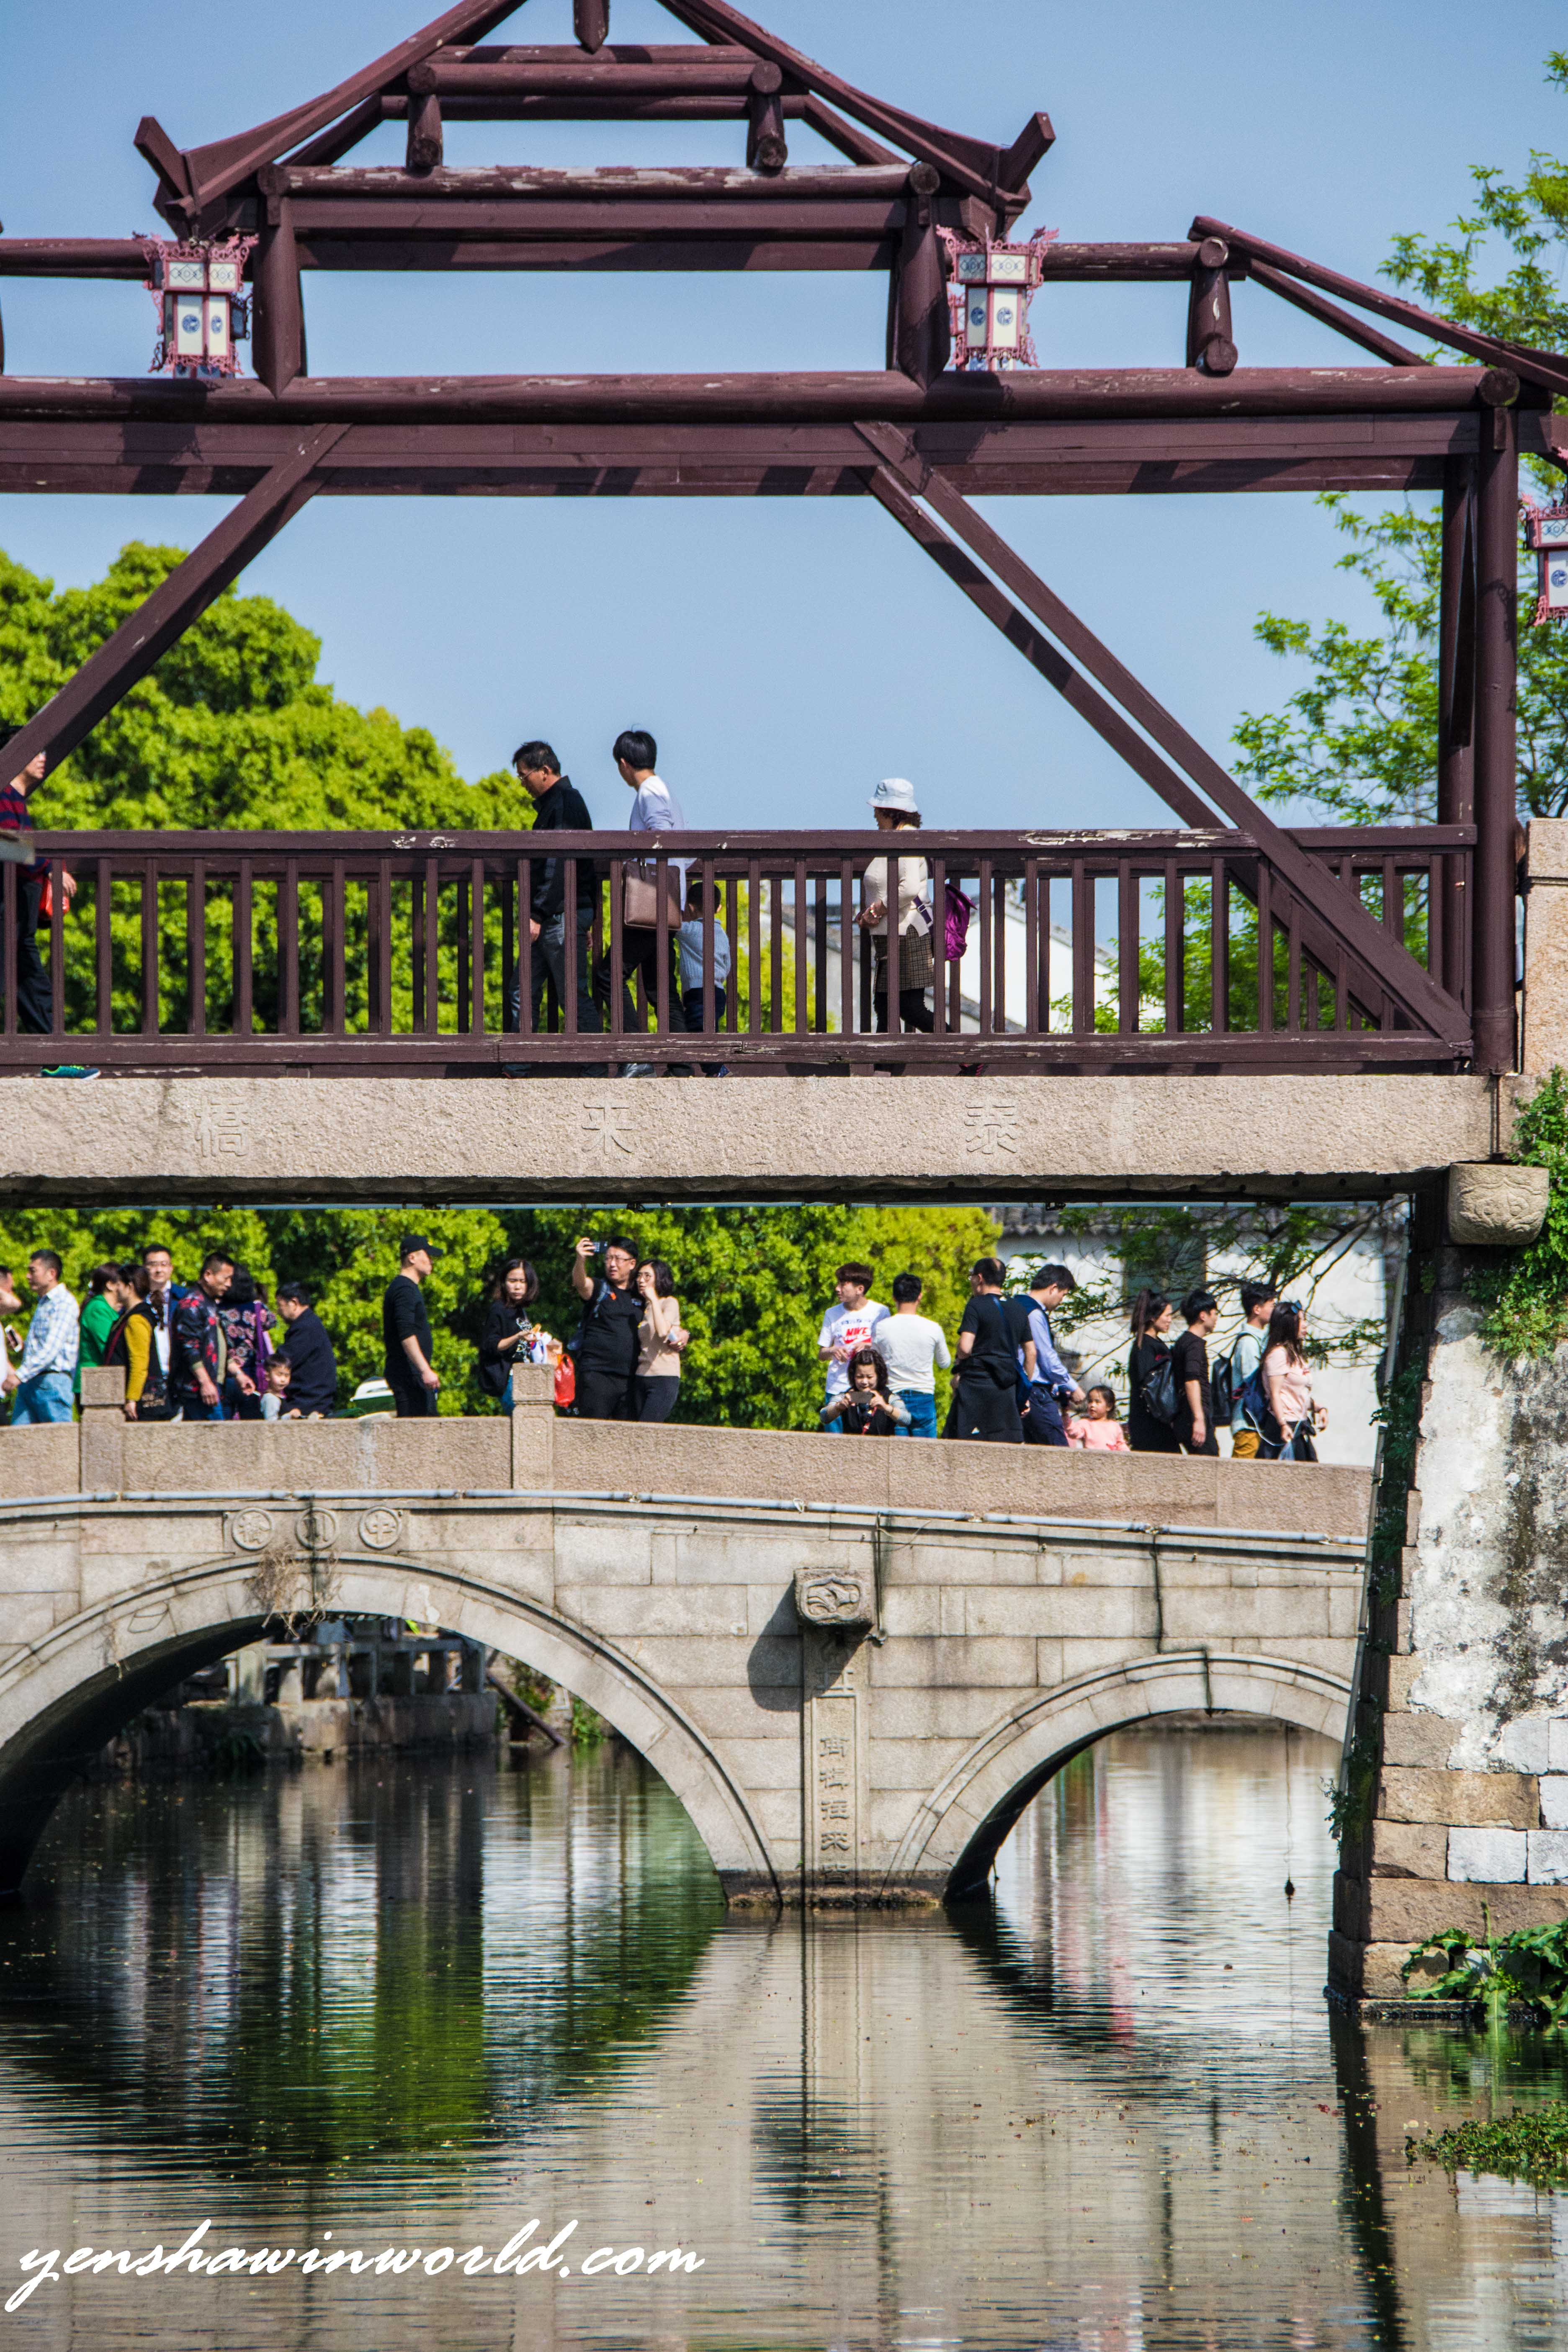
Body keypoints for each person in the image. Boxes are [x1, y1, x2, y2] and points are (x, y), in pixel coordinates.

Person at [503, 741, 605, 1069]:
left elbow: (558, 865)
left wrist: (537, 914)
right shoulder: (561, 802)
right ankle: (519, 1066)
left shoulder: (565, 802)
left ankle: (595, 1066)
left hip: (558, 915)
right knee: (524, 990)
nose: (522, 783)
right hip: (560, 914)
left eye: (524, 776)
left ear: (545, 771)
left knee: (571, 995)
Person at [0, 724, 92, 1075]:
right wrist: (49, 867)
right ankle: (55, 1059)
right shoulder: (4, 796)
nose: (43, 758)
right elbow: (4, 843)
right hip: (9, 911)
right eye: (34, 751)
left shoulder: (15, 798)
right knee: (28, 978)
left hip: (17, 916)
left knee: (29, 979)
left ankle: (55, 1059)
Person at [613, 728, 690, 1075]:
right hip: (670, 903)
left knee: (609, 975)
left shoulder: (649, 791)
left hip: (652, 905)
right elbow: (684, 851)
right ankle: (682, 1066)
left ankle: (636, 1056)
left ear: (624, 764)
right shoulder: (666, 790)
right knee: (660, 987)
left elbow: (662, 834)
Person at [856, 778, 934, 1035]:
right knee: (885, 1005)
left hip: (906, 933)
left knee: (910, 1008)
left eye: (878, 811)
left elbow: (909, 887)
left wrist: (876, 911)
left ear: (890, 812)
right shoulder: (895, 839)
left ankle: (963, 1049)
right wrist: (870, 912)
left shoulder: (906, 839)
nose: (875, 816)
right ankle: (885, 1059)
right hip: (895, 934)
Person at [950, 1257, 1026, 1443]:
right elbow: (1031, 1352)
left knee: (965, 1442)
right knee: (1004, 1442)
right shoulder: (1018, 1308)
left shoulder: (976, 1305)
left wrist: (959, 1351)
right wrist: (1024, 1385)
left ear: (979, 1278)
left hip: (976, 1384)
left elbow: (966, 1347)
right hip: (1007, 1386)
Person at [570, 1233, 644, 1420]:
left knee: (625, 1434)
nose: (612, 1264)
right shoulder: (600, 1288)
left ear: (632, 1263)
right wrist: (580, 1259)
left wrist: (683, 1333)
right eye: (609, 1258)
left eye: (618, 1259)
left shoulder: (642, 1296)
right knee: (592, 1431)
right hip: (597, 1374)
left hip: (631, 1379)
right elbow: (581, 1283)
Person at [4, 1249, 80, 1423]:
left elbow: (50, 1351)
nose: (28, 1276)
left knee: (58, 1438)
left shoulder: (63, 1302)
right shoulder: (44, 1303)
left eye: (33, 1271)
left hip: (52, 1383)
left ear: (52, 1274)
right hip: (31, 1382)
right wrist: (23, 1347)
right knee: (19, 1439)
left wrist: (18, 1376)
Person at [1018, 1262, 1086, 1449]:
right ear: (1053, 1288)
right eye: (1063, 1295)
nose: (1061, 1301)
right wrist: (1072, 1386)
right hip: (1036, 1392)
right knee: (1058, 1451)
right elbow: (1046, 1358)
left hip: (1021, 1391)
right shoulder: (1034, 1313)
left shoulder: (1017, 1305)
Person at [876, 1271, 950, 1438]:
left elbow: (875, 1361)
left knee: (896, 1451)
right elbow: (945, 1363)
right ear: (920, 1296)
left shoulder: (882, 1328)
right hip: (923, 1395)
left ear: (894, 1297)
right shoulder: (933, 1328)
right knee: (926, 1451)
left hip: (893, 1397)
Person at [818, 1262, 891, 1432]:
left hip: (867, 1388)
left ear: (860, 1289)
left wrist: (868, 1346)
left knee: (865, 1436)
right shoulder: (832, 1313)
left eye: (843, 1285)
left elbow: (888, 1350)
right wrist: (833, 1350)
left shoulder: (880, 1312)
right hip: (837, 1388)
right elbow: (822, 1354)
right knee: (833, 1440)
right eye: (838, 1284)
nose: (837, 1289)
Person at [382, 1235, 442, 1418]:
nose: (431, 1261)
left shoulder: (407, 1288)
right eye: (428, 1255)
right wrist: (425, 1371)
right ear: (412, 1258)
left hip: (413, 1374)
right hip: (409, 1376)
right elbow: (406, 1333)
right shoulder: (404, 1290)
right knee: (416, 1430)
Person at [170, 1251, 234, 1421]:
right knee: (217, 1435)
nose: (229, 1284)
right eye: (226, 1278)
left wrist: (239, 1375)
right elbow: (189, 1347)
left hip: (210, 1385)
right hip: (198, 1389)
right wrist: (205, 1383)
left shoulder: (208, 1302)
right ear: (208, 1275)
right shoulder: (192, 1303)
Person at [1260, 1299, 1326, 1463]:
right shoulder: (1278, 1354)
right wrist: (1283, 1424)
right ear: (1287, 1325)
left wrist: (1320, 1408)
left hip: (1299, 1425)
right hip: (1283, 1428)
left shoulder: (1296, 1355)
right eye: (1300, 1321)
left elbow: (1297, 1394)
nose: (1305, 1325)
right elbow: (1275, 1394)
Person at [678, 875, 731, 1074]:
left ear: (691, 907)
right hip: (718, 991)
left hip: (698, 991)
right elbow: (727, 965)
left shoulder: (690, 930)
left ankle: (716, 1069)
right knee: (710, 1029)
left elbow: (669, 924)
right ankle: (712, 1067)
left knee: (696, 1028)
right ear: (719, 908)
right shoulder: (722, 934)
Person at [478, 1257, 541, 1414]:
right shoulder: (499, 1309)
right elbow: (493, 1345)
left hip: (525, 1375)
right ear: (504, 1283)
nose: (517, 1287)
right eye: (513, 1281)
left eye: (522, 1281)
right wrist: (518, 1336)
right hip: (508, 1378)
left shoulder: (520, 1310)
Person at [103, 1266, 166, 1421]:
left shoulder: (136, 1320)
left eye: (119, 1284)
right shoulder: (127, 1317)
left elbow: (139, 1362)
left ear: (130, 1287)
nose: (115, 1289)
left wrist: (132, 1399)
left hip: (142, 1404)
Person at [1228, 1279, 1278, 1460]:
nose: (1275, 1310)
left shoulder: (1258, 1340)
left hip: (1255, 1424)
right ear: (1257, 1309)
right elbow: (1254, 1385)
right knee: (1239, 1475)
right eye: (1272, 1305)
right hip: (1248, 1424)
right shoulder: (1249, 1343)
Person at [1126, 1289, 1181, 1456]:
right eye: (1167, 1315)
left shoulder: (1155, 1344)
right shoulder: (1144, 1347)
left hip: (1157, 1422)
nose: (1170, 1320)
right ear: (1153, 1317)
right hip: (1149, 1424)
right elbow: (1151, 1386)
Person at [274, 1281, 338, 1419]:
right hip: (314, 1400)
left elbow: (281, 1362)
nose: (278, 1312)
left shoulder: (306, 1328)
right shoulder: (311, 1324)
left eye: (280, 1306)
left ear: (294, 1303)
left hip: (308, 1404)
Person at [219, 1264, 275, 1421]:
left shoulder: (218, 1310)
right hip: (252, 1375)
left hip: (225, 1375)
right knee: (252, 1427)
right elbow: (271, 1322)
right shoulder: (257, 1309)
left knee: (222, 1428)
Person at [633, 1258, 685, 1424]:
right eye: (639, 1276)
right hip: (641, 1376)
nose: (641, 1280)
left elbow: (663, 1332)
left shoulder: (669, 1303)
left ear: (660, 1278)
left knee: (648, 1428)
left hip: (664, 1377)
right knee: (635, 1430)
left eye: (647, 1276)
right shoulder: (644, 1307)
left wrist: (654, 1299)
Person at [819, 1346, 910, 1435]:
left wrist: (886, 1408)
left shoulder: (890, 1398)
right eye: (860, 1377)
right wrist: (838, 1407)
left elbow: (906, 1420)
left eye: (870, 1377)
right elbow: (824, 1417)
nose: (864, 1382)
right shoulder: (846, 1397)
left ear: (879, 1376)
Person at [1172, 1288, 1220, 1457]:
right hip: (1193, 1417)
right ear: (1203, 1315)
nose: (1216, 1318)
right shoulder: (1194, 1345)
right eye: (1215, 1313)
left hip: (1186, 1416)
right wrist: (1199, 1420)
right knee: (1209, 1462)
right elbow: (1191, 1380)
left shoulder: (1183, 1342)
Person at [76, 1261, 128, 1402]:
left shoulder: (106, 1309)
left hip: (101, 1381)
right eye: (124, 1282)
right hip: (94, 1383)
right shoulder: (98, 1309)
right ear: (110, 1285)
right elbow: (109, 1346)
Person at [1066, 1385, 1132, 1453]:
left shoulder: (1115, 1426)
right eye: (1090, 1401)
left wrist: (1129, 1456)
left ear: (1109, 1406)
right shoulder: (1085, 1423)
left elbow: (1121, 1445)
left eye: (1097, 1402)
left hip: (1110, 1458)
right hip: (1091, 1458)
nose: (1092, 1405)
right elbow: (1074, 1433)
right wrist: (1066, 1417)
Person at [260, 1358, 294, 1422]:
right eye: (279, 1375)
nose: (283, 1380)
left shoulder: (280, 1398)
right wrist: (290, 1416)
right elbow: (271, 1422)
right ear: (268, 1376)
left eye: (287, 1376)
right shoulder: (270, 1399)